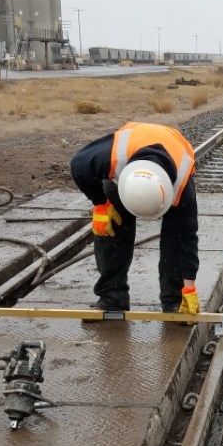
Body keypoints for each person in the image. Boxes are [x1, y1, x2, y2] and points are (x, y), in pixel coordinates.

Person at [69, 122, 200, 318]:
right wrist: (101, 205)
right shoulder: (107, 158)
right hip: (127, 169)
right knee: (111, 227)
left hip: (170, 155)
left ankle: (174, 301)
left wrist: (188, 288)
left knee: (175, 238)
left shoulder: (182, 189)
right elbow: (77, 166)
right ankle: (111, 299)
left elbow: (187, 240)